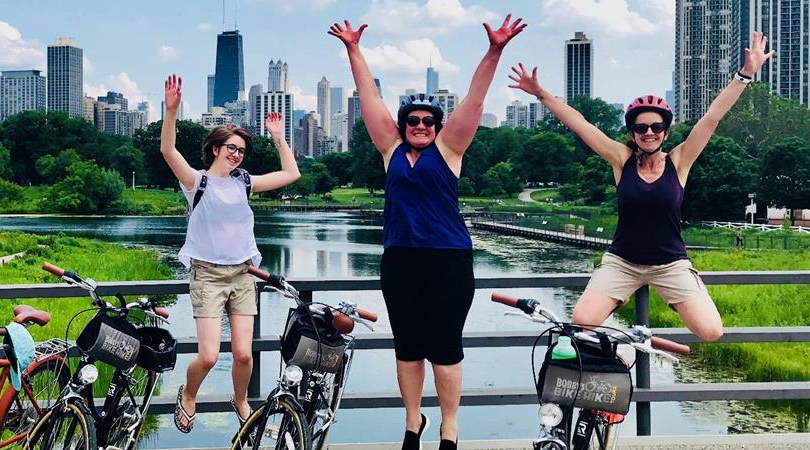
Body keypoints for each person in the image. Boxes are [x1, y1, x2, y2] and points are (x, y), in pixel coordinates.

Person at [329, 15, 526, 450]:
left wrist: (495, 50)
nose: (420, 124)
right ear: (402, 126)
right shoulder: (390, 150)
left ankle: (449, 426)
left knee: (445, 346)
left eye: (427, 120)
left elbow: (475, 100)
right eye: (412, 120)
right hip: (400, 260)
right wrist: (353, 50)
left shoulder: (449, 149)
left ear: (437, 126)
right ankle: (413, 422)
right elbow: (369, 97)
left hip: (448, 260)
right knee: (408, 347)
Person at [508, 31, 775, 343]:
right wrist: (541, 93)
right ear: (632, 132)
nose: (649, 132)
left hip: (671, 264)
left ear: (665, 131)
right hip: (622, 262)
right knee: (583, 320)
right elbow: (579, 124)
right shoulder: (621, 160)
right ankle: (629, 338)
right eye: (641, 127)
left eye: (656, 127)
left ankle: (672, 300)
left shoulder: (680, 161)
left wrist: (744, 75)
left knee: (711, 331)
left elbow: (712, 118)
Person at [161, 75, 300, 433]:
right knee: (208, 355)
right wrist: (171, 112)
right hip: (207, 275)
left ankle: (240, 401)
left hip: (242, 275)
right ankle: (188, 394)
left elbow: (291, 173)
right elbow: (168, 151)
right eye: (230, 148)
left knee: (242, 353)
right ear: (215, 149)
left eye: (241, 150)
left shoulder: (245, 182)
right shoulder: (197, 182)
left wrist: (279, 138)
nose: (236, 155)